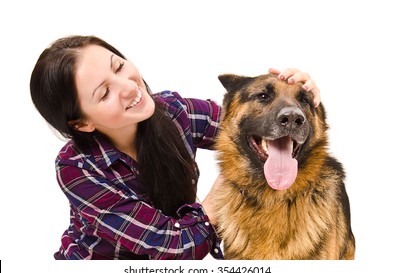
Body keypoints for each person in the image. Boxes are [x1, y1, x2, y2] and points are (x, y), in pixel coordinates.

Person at [30, 35, 321, 260]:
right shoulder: (77, 169)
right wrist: (227, 183)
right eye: (105, 92)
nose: (129, 87)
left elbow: (253, 122)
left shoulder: (174, 111)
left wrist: (300, 100)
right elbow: (175, 246)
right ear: (81, 123)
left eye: (119, 66)